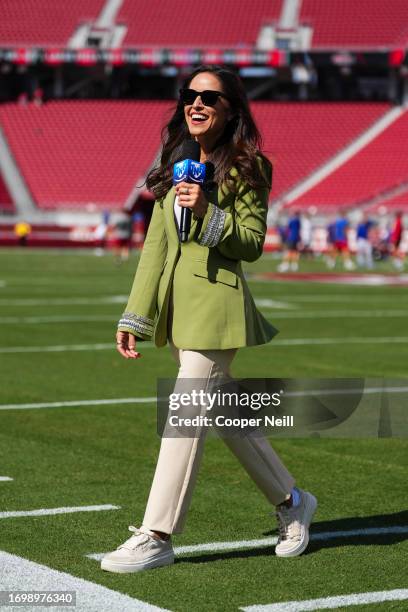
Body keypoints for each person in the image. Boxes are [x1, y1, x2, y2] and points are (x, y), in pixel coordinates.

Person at [101, 65, 317, 574]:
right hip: (179, 313)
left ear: (230, 111)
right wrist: (137, 315)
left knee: (184, 412)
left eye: (210, 98)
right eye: (189, 95)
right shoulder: (173, 164)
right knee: (224, 415)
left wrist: (207, 212)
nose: (196, 104)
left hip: (217, 310)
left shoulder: (249, 168)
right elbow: (156, 249)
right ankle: (292, 503)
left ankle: (156, 533)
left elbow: (252, 244)